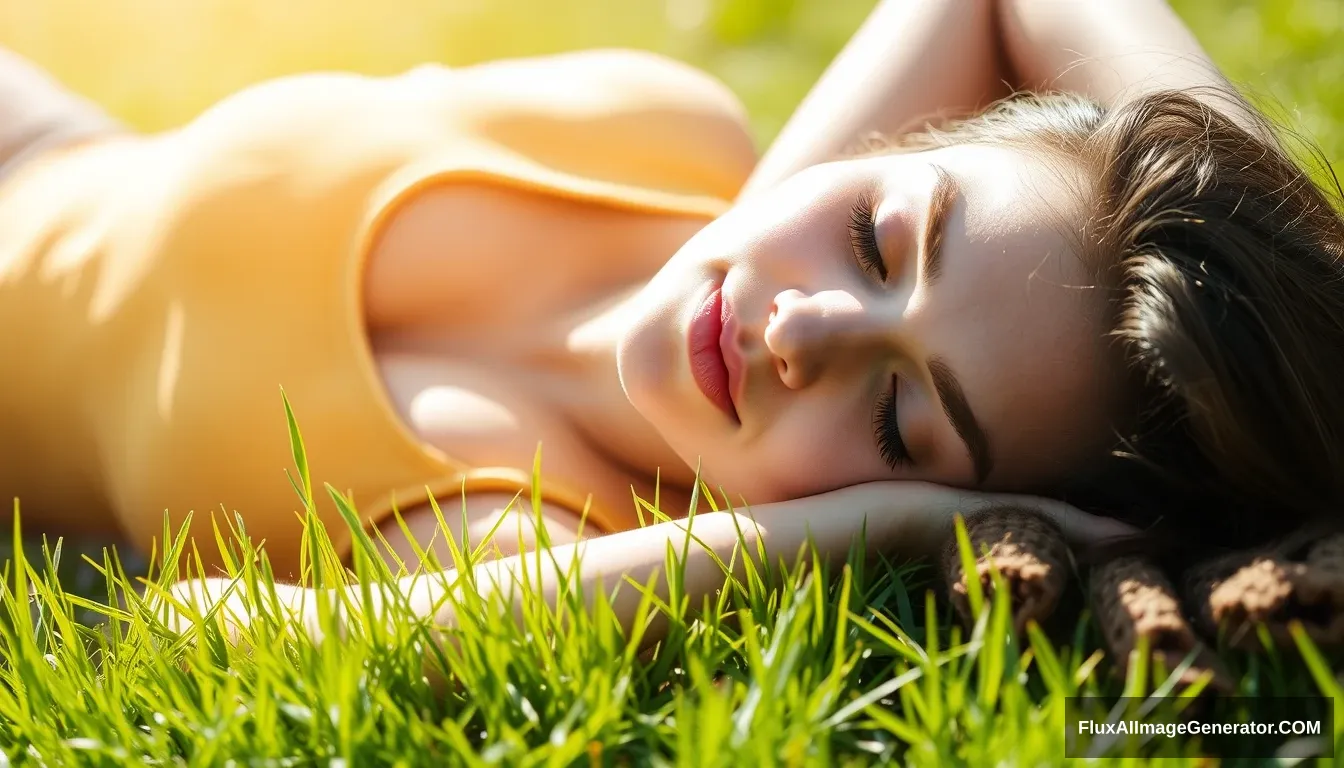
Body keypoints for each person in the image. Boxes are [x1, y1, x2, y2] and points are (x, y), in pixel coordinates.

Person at [1, 0, 1341, 677]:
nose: (806, 332)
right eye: (879, 240)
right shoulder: (669, 150)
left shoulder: (524, 528)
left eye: (896, 422)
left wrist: (857, 533)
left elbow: (194, 630)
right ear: (903, 149)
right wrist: (1268, 242)